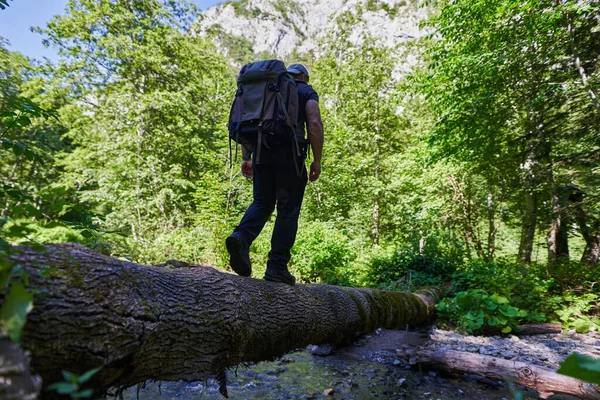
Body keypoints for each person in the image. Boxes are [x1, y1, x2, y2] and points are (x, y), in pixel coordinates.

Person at [226, 63, 324, 286]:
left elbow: (250, 121)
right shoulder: (305, 91)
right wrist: (317, 159)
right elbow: (314, 122)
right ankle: (277, 267)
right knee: (288, 211)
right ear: (304, 77)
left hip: (262, 153)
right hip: (291, 155)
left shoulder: (267, 88)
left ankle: (241, 237)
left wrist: (246, 156)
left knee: (261, 202)